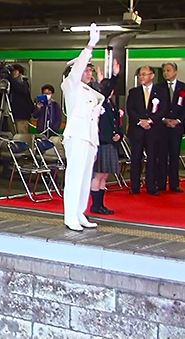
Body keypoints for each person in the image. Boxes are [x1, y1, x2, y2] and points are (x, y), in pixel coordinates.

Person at [61, 24, 106, 231]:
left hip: (89, 138)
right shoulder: (70, 86)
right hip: (76, 136)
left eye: (90, 69)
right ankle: (69, 215)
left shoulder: (90, 91)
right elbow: (77, 69)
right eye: (86, 68)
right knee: (74, 175)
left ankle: (80, 212)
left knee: (86, 176)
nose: (88, 72)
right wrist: (89, 46)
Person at [126, 65, 169, 196]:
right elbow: (130, 109)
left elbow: (163, 109)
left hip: (154, 131)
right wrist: (140, 121)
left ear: (152, 75)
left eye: (144, 74)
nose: (142, 77)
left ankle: (151, 185)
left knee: (152, 158)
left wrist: (150, 121)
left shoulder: (161, 91)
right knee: (136, 158)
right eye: (140, 75)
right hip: (137, 130)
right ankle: (135, 185)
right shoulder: (133, 92)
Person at [90, 70, 121, 215]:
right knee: (98, 174)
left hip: (110, 142)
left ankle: (101, 204)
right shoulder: (99, 102)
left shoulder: (111, 104)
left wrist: (118, 134)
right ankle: (95, 204)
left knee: (104, 175)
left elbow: (115, 122)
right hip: (101, 143)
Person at [158, 62, 185, 193]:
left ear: (175, 72)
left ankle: (174, 184)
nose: (166, 73)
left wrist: (178, 120)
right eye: (164, 71)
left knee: (174, 156)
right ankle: (160, 183)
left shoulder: (184, 87)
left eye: (168, 70)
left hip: (176, 128)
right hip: (163, 127)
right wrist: (164, 119)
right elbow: (157, 107)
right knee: (162, 156)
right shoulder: (158, 87)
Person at [6, 64, 34, 134]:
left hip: (22, 116)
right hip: (12, 114)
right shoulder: (9, 84)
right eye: (12, 71)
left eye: (16, 71)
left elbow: (19, 88)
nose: (13, 73)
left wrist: (9, 78)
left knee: (22, 136)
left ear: (20, 72)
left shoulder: (23, 82)